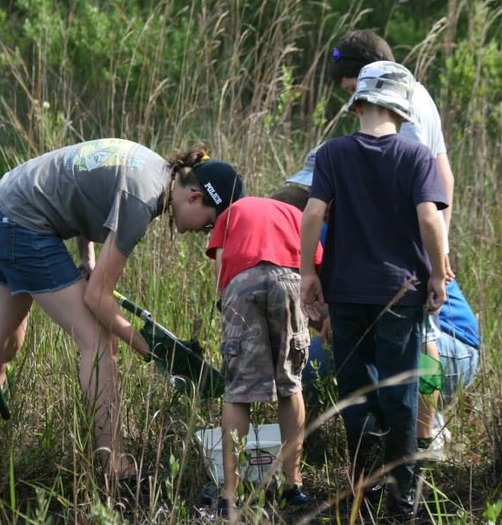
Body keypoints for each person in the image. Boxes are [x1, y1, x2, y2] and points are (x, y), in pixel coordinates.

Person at [0, 138, 243, 479]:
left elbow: (81, 188)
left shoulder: (151, 169)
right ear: (195, 197)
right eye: (209, 225)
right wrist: (154, 352)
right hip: (23, 223)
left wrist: (86, 257)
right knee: (100, 342)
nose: (203, 234)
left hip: (9, 203)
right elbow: (97, 297)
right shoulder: (141, 200)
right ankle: (114, 462)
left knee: (6, 345)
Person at [300, 61, 448, 521]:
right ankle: (403, 506)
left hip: (345, 292)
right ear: (402, 114)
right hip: (401, 294)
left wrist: (308, 274)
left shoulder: (332, 154)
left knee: (356, 394)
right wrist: (439, 274)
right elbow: (429, 218)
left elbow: (312, 214)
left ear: (357, 105)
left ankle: (364, 497)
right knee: (399, 395)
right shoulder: (416, 157)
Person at [205, 192, 323, 517]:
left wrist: (225, 302)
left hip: (241, 282)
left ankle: (230, 493)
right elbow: (314, 267)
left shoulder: (233, 210)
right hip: (291, 281)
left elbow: (221, 264)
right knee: (290, 384)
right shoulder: (296, 214)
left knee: (238, 391)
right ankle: (293, 486)